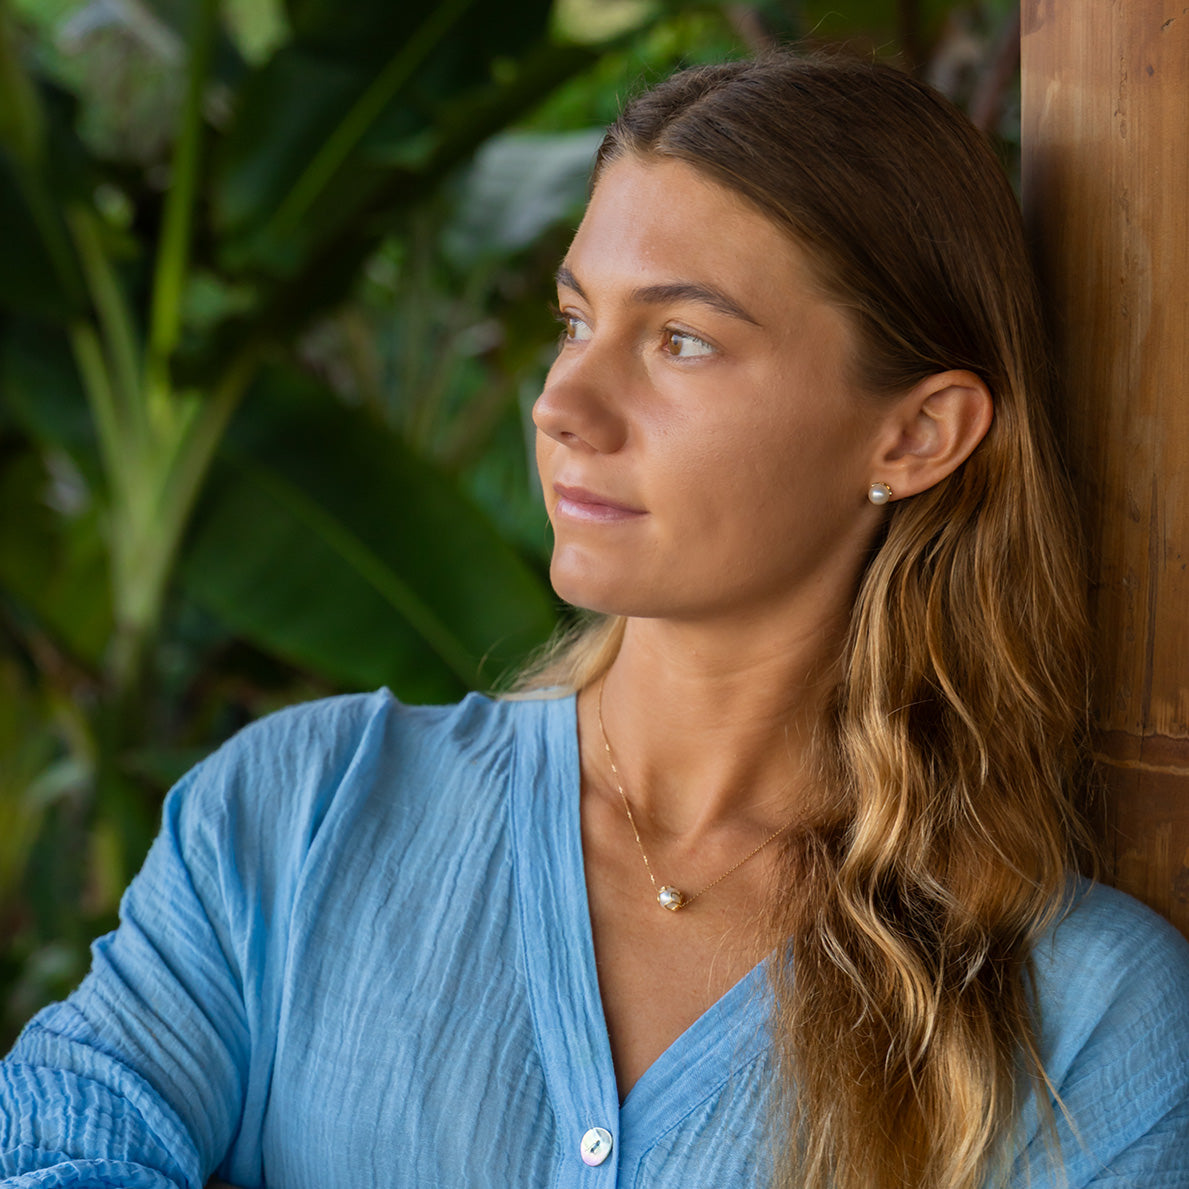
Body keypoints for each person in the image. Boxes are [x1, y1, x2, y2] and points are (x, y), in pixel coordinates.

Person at [3, 51, 1189, 1189]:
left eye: (680, 339)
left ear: (914, 434)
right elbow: (56, 1138)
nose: (564, 404)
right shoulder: (296, 818)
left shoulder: (1084, 1024)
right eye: (575, 320)